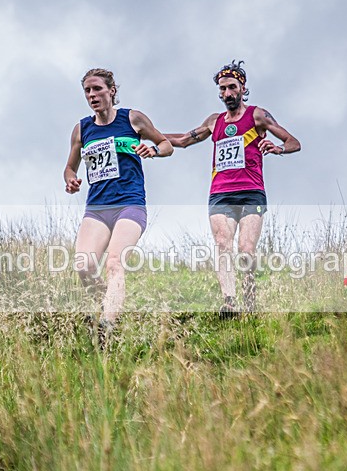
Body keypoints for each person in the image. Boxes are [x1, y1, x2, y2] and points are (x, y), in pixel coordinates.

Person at [165, 60, 301, 318]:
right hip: (220, 193)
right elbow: (183, 140)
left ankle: (250, 294)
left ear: (242, 88)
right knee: (222, 243)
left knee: (246, 249)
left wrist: (278, 148)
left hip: (251, 192)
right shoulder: (214, 121)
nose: (227, 94)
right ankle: (229, 301)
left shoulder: (258, 116)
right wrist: (148, 134)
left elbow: (294, 141)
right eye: (222, 89)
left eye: (231, 88)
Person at [63, 68, 173, 346]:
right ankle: (111, 302)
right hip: (97, 208)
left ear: (111, 90)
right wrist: (71, 180)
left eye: (97, 89)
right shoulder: (82, 129)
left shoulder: (132, 119)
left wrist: (154, 150)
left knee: (114, 263)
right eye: (87, 91)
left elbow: (166, 144)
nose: (92, 95)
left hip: (130, 204)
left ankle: (108, 326)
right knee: (84, 266)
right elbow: (69, 167)